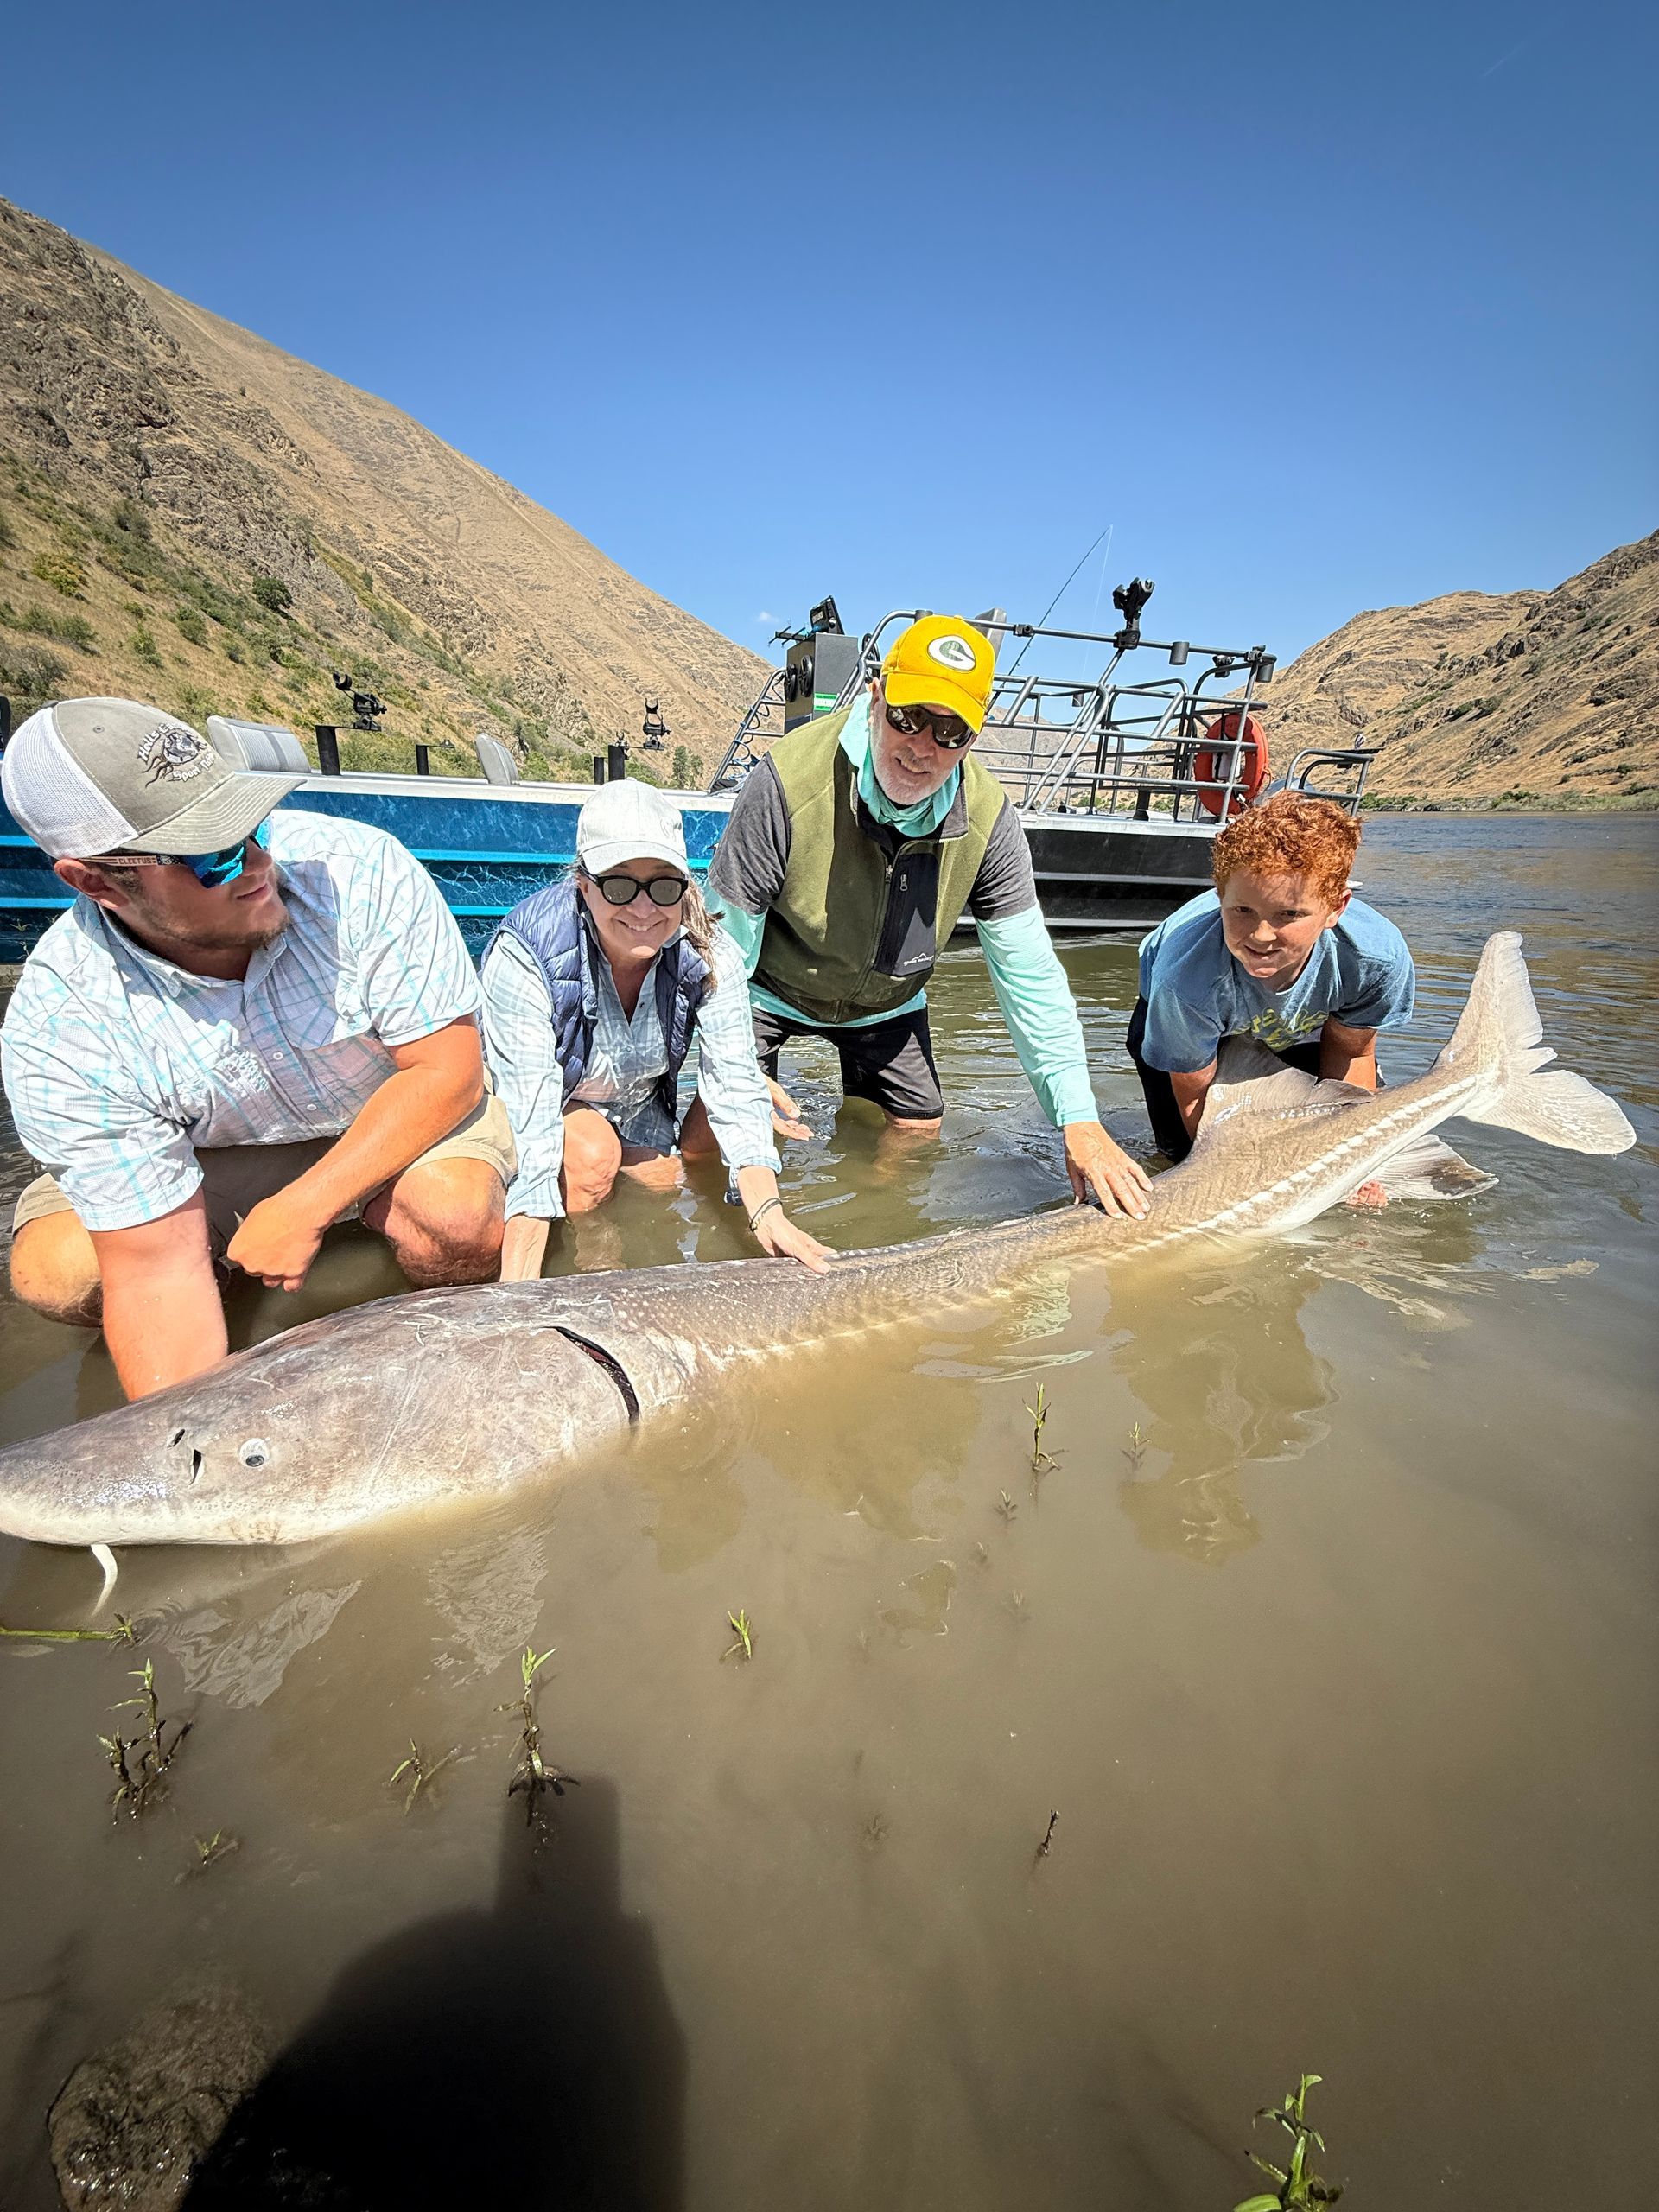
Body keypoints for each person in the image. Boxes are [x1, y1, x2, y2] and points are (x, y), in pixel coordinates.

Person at [1, 697, 513, 1400]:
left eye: (252, 828)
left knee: (455, 1220)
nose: (257, 864)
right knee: (57, 1271)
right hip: (211, 1153)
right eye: (211, 854)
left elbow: (446, 1070)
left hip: (390, 1112)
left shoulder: (363, 870)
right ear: (95, 880)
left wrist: (302, 1208)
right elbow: (153, 1274)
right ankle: (236, 1294)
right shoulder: (62, 1022)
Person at [704, 613, 1152, 1217]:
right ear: (876, 697)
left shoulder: (991, 820)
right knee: (713, 1133)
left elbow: (1031, 977)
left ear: (975, 737)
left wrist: (1080, 1118)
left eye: (951, 732)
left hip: (889, 999)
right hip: (769, 989)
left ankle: (867, 1231)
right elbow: (719, 952)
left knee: (916, 1136)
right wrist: (734, 1076)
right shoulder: (785, 781)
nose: (922, 748)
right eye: (908, 718)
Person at [480, 779, 833, 1279]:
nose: (644, 909)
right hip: (553, 1102)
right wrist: (519, 1287)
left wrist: (768, 1215)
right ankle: (589, 1269)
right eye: (619, 885)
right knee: (591, 1158)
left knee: (667, 1187)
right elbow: (531, 1119)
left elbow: (733, 1080)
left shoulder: (712, 952)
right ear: (583, 885)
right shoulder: (526, 955)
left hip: (635, 1102)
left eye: (664, 887)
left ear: (685, 889)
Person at [1128, 791, 1415, 1200]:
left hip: (1304, 1019)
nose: (1261, 936)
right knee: (1185, 1162)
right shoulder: (1185, 980)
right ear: (1219, 896)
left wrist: (1350, 1159)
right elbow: (1193, 1088)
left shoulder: (1374, 959)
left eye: (1289, 914)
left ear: (1336, 908)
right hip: (1181, 1014)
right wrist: (1229, 1172)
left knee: (1321, 1134)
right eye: (1242, 911)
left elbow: (1351, 1052)